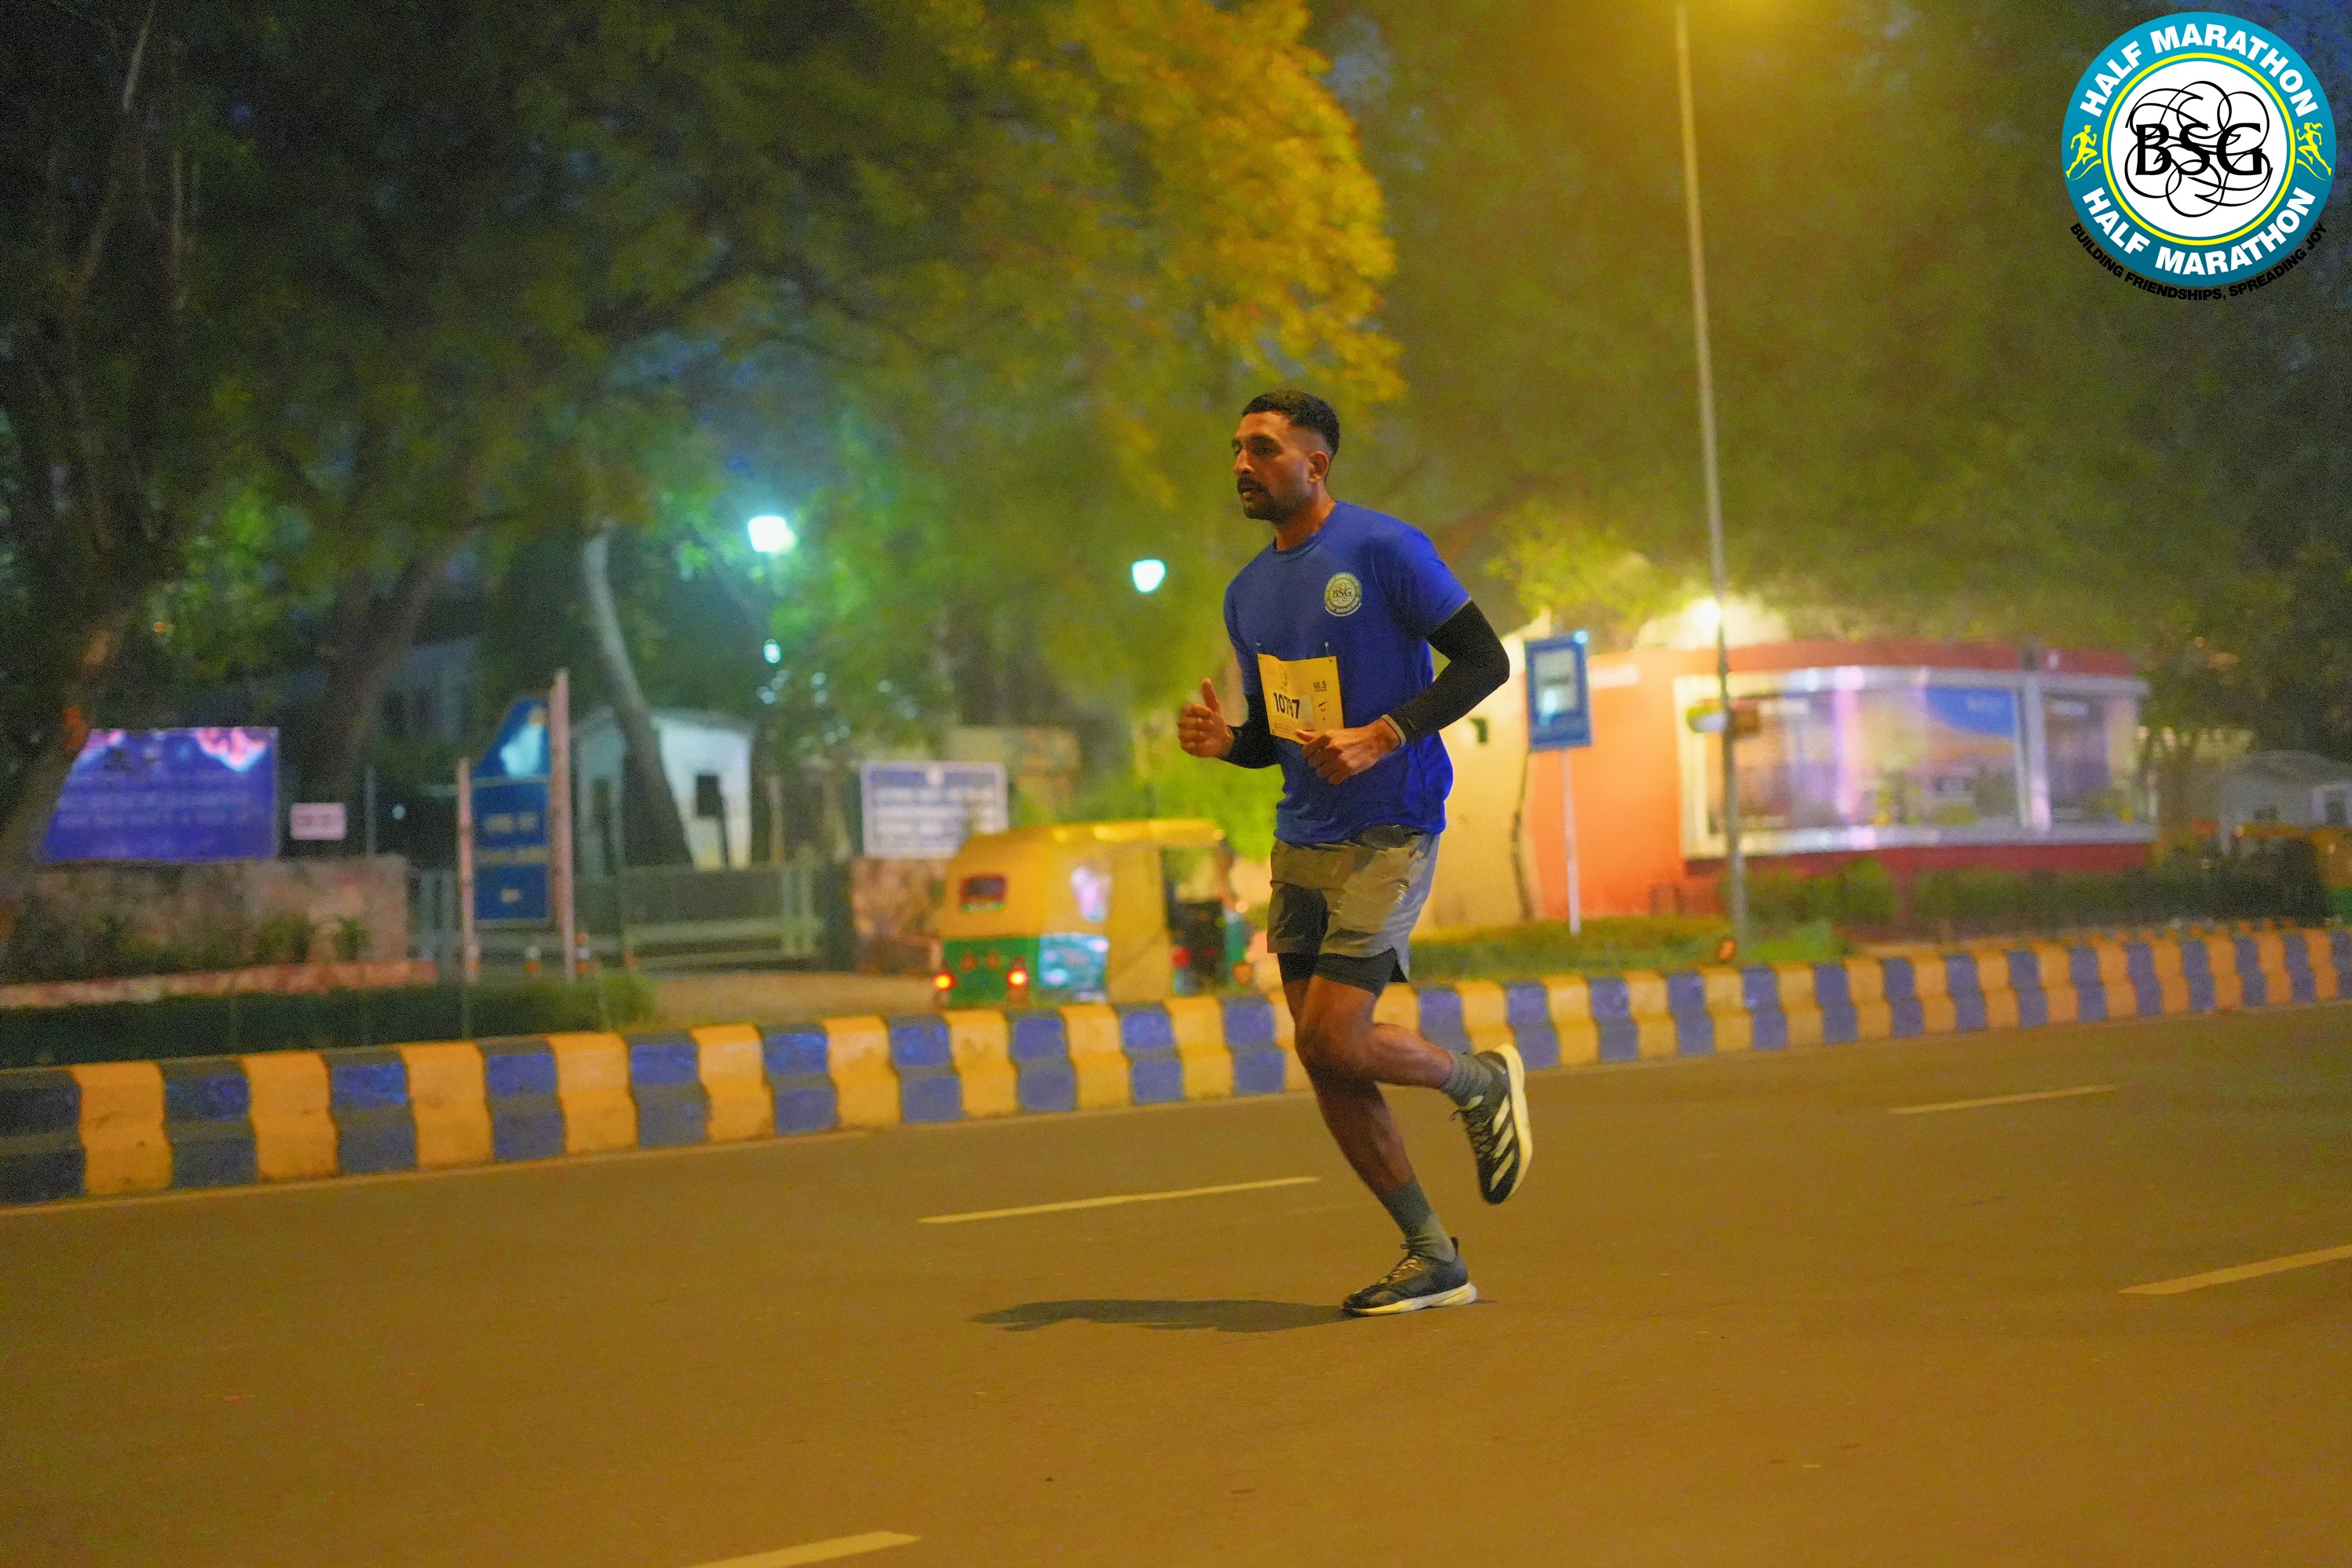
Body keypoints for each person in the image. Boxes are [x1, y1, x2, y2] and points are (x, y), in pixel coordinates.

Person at [1179, 389, 1525, 1316]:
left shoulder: (1382, 549)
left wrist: (1384, 734)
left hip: (1389, 825)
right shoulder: (1247, 592)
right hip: (1302, 837)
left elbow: (1484, 661)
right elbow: (1279, 733)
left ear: (1316, 463)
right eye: (1236, 448)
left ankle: (1477, 1080)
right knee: (1324, 1055)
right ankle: (1432, 1256)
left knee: (1335, 1033)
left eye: (1263, 448)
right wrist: (1228, 741)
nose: (1242, 465)